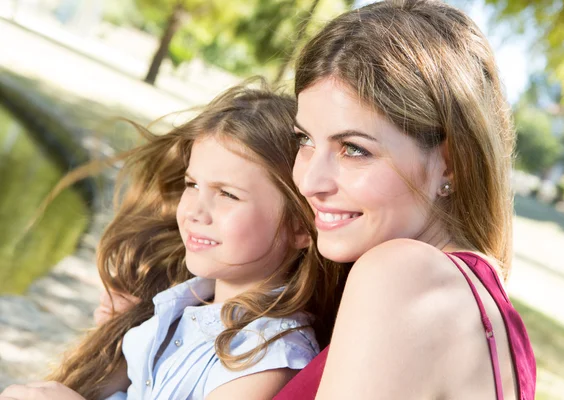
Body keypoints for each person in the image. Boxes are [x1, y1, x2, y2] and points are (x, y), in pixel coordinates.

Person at [0, 82, 347, 400]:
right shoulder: (180, 305)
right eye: (192, 184)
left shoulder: (270, 354)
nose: (196, 210)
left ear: (301, 227)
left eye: (228, 194)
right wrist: (112, 336)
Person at [273, 1, 536, 399]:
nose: (309, 180)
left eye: (354, 149)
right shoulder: (493, 314)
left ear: (450, 164)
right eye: (304, 139)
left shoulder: (400, 275)